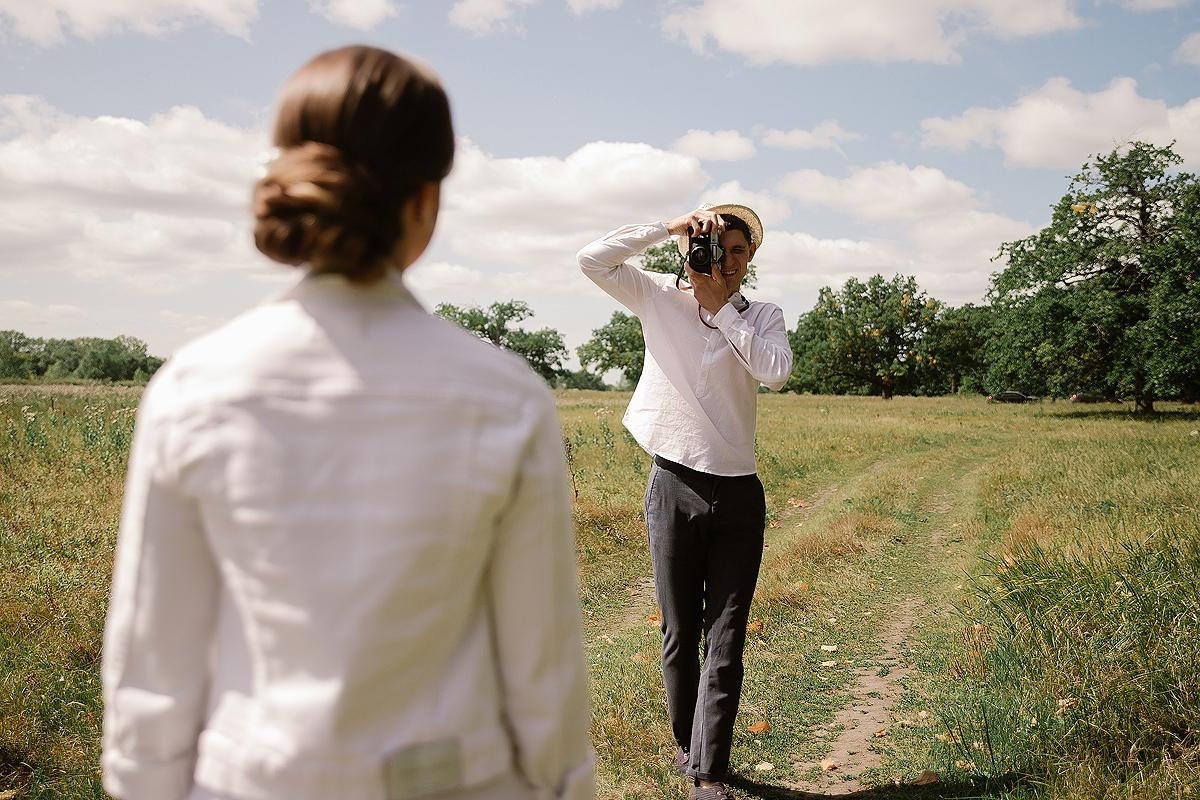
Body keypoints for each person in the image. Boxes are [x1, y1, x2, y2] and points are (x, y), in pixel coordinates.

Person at [101, 45, 594, 800]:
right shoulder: (506, 396)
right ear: (426, 199)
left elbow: (152, 665)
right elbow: (542, 665)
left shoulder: (191, 388)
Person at [577, 206, 791, 800]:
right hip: (672, 481)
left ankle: (709, 774)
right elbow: (591, 260)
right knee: (678, 632)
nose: (722, 260)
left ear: (750, 259)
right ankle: (686, 745)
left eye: (736, 251)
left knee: (726, 636)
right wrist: (669, 227)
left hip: (739, 490)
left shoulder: (762, 316)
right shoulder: (659, 299)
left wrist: (721, 308)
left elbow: (775, 372)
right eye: (712, 246)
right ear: (689, 249)